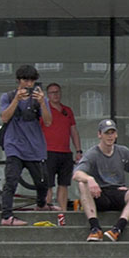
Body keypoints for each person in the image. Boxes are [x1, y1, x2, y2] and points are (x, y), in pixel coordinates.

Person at [72, 119, 129, 242]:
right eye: (106, 133)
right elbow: (76, 174)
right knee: (82, 184)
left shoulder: (123, 151)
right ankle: (95, 228)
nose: (110, 136)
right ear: (99, 134)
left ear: (116, 134)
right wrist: (90, 179)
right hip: (100, 194)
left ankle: (117, 229)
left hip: (118, 191)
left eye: (112, 133)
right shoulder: (92, 153)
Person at [0, 64, 53, 226]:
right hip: (14, 145)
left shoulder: (39, 98)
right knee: (11, 179)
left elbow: (48, 122)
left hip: (34, 146)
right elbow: (4, 117)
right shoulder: (8, 96)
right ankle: (6, 216)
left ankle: (41, 204)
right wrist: (17, 99)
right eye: (25, 80)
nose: (28, 84)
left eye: (31, 80)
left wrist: (42, 103)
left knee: (42, 181)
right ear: (18, 80)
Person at [40, 82, 82, 211]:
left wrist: (78, 150)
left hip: (65, 152)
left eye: (57, 92)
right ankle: (46, 211)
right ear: (48, 95)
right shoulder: (43, 110)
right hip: (48, 152)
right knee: (48, 185)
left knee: (64, 184)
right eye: (52, 92)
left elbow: (73, 131)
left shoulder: (67, 110)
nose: (55, 95)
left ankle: (63, 213)